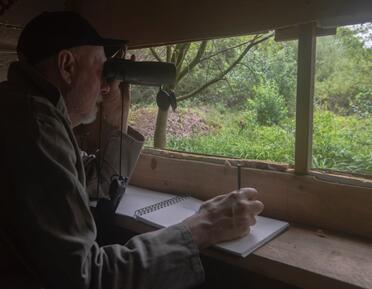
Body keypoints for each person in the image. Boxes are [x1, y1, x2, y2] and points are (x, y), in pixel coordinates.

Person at [0, 11, 264, 289]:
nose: (105, 86)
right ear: (67, 66)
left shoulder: (18, 107)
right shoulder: (36, 127)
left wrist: (116, 115)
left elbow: (96, 182)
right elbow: (87, 279)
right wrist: (201, 227)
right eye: (102, 70)